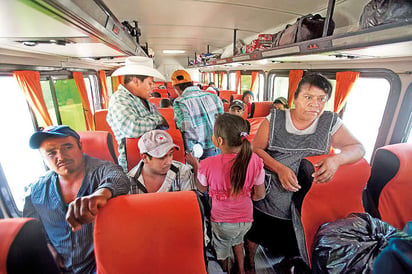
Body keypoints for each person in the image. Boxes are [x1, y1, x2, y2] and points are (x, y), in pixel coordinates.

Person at [245, 73, 365, 272]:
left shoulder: (330, 122)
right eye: (308, 97)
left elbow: (358, 147)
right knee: (258, 233)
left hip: (308, 199)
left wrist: (337, 159)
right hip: (273, 195)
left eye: (321, 100)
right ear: (295, 98)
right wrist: (279, 168)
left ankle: (288, 264)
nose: (315, 104)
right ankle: (250, 261)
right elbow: (255, 150)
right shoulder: (273, 119)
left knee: (296, 239)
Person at [23, 125, 130, 274]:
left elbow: (119, 178)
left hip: (102, 267)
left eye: (67, 147)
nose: (61, 156)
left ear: (80, 146)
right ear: (43, 158)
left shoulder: (101, 170)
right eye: (51, 152)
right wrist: (47, 247)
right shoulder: (36, 191)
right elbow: (34, 227)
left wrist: (99, 195)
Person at [188, 113, 265, 273]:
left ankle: (226, 270)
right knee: (238, 241)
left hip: (222, 221)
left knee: (222, 250)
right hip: (246, 219)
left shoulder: (207, 164)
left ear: (219, 141)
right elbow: (260, 194)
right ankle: (242, 270)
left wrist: (196, 166)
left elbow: (201, 188)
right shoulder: (256, 161)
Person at [107, 56, 168, 172]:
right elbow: (132, 128)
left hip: (153, 162)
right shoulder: (119, 99)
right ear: (136, 81)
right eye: (150, 84)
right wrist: (158, 119)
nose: (152, 88)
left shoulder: (143, 100)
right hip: (134, 166)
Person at [171, 69, 224, 159]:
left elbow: (186, 129)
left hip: (201, 151)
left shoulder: (180, 102)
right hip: (220, 146)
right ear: (191, 82)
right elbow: (223, 121)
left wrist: (191, 155)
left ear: (176, 88)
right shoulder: (214, 97)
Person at [128, 130, 195, 193]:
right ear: (145, 157)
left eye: (171, 154)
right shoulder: (129, 182)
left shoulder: (182, 172)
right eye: (162, 157)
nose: (169, 162)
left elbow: (191, 202)